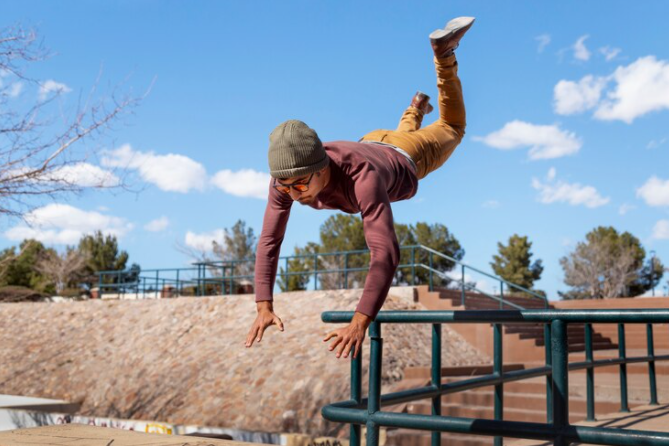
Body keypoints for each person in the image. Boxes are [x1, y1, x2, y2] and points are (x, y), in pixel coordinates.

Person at [245, 17, 475, 359]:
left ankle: (444, 56)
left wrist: (360, 321)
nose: (295, 194)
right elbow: (269, 240)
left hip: (407, 153)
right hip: (374, 140)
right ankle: (413, 110)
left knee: (454, 127)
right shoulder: (285, 180)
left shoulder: (361, 177)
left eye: (302, 184)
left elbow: (385, 252)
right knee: (403, 133)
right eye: (286, 187)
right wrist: (263, 305)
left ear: (322, 167)